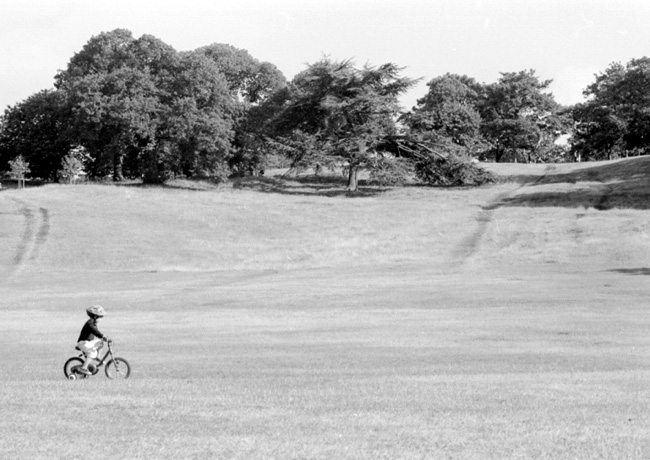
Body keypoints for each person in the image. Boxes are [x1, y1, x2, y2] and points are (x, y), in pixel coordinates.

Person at [76, 305, 109, 375]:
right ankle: (83, 368)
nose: (101, 319)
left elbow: (96, 332)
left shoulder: (93, 323)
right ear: (95, 317)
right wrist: (102, 336)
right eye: (100, 317)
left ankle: (98, 357)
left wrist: (103, 338)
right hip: (83, 343)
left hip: (87, 342)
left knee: (100, 343)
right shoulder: (89, 324)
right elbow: (95, 331)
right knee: (92, 353)